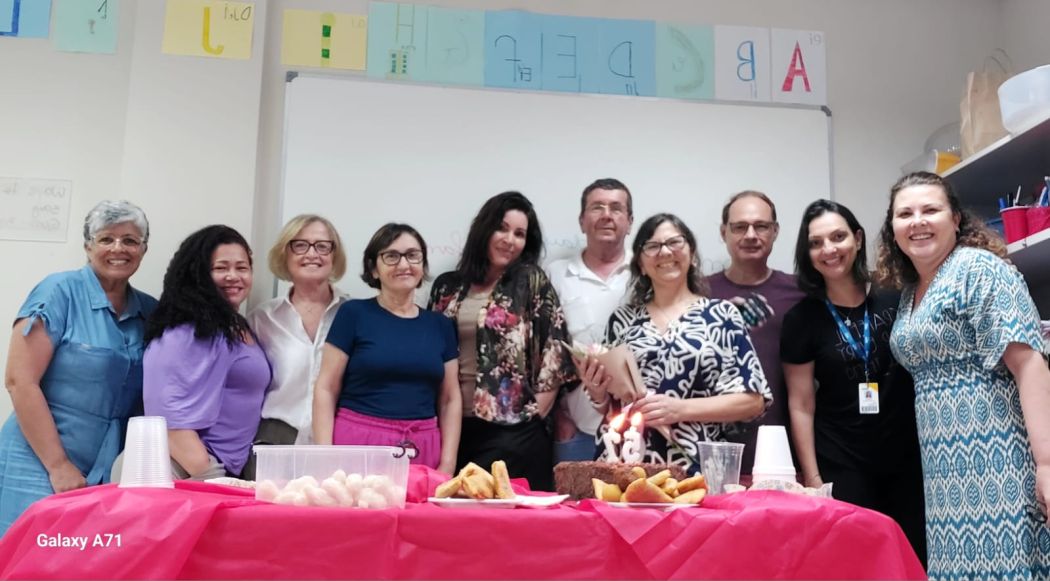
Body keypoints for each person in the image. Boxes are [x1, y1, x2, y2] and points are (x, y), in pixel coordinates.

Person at [875, 171, 1050, 580]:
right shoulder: (911, 290)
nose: (918, 221)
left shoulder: (979, 269)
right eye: (905, 214)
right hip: (944, 470)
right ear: (893, 228)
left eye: (930, 210)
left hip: (999, 457)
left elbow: (1029, 364)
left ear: (955, 219)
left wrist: (1046, 463)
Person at [780, 199, 926, 566]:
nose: (828, 249)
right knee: (856, 561)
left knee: (912, 559)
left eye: (838, 237)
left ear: (857, 239)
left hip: (907, 456)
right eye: (816, 243)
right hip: (841, 459)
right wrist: (813, 478)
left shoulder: (898, 298)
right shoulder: (801, 319)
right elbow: (801, 403)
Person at [0, 201, 156, 534]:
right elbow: (19, 381)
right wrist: (58, 465)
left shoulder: (150, 311)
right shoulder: (58, 291)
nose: (118, 248)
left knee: (85, 555)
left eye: (130, 240)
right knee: (33, 552)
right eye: (106, 239)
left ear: (143, 249)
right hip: (40, 459)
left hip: (108, 467)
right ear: (88, 246)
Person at [577, 213, 771, 475]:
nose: (665, 252)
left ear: (692, 255)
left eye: (674, 242)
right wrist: (598, 392)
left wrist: (679, 409)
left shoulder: (722, 316)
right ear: (641, 264)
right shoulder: (622, 320)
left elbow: (753, 401)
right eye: (652, 246)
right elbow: (612, 405)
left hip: (696, 465)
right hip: (624, 463)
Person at [429, 191, 575, 490]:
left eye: (519, 234)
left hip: (514, 432)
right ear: (484, 229)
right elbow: (430, 350)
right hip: (451, 429)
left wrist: (534, 415)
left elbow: (556, 351)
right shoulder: (447, 286)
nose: (510, 240)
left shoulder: (530, 282)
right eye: (502, 229)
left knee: (507, 516)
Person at [312, 223, 460, 474]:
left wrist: (447, 463)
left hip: (422, 448)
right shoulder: (353, 314)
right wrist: (325, 455)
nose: (404, 264)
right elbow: (326, 388)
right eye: (391, 256)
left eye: (413, 255)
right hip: (358, 443)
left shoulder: (440, 325)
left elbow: (449, 399)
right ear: (374, 268)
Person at [143, 225, 271, 480]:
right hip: (183, 470)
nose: (233, 276)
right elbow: (169, 418)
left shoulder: (237, 324)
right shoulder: (187, 331)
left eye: (242, 268)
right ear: (198, 274)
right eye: (221, 268)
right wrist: (211, 475)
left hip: (216, 471)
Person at [241, 215, 349, 478]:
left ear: (334, 255)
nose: (312, 254)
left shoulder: (354, 315)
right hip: (274, 440)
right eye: (300, 245)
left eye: (322, 246)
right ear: (284, 254)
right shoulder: (262, 318)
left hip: (337, 440)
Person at [707, 190, 805, 480]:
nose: (750, 235)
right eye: (740, 227)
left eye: (761, 226)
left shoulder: (801, 292)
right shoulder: (698, 294)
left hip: (783, 452)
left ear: (775, 231)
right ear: (723, 232)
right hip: (712, 451)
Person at [546, 178, 633, 463]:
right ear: (582, 221)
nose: (607, 215)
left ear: (630, 222)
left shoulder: (646, 271)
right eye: (597, 207)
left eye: (616, 208)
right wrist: (560, 418)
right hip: (577, 430)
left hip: (637, 429)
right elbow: (543, 353)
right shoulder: (556, 274)